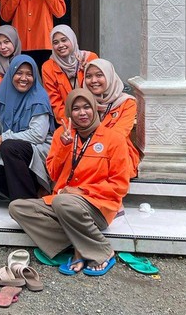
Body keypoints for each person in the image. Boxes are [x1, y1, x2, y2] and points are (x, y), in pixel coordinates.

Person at [9, 88, 132, 276]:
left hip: (98, 206)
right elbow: (52, 174)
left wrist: (81, 191)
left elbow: (120, 185)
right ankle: (80, 244)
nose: (82, 113)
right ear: (69, 112)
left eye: (86, 107)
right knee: (17, 208)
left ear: (94, 109)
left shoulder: (113, 139)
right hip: (63, 203)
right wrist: (64, 148)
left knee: (61, 201)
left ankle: (102, 251)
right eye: (76, 109)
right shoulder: (62, 135)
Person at [0, 55, 55, 201]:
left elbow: (38, 135)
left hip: (37, 151)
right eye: (19, 73)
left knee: (9, 146)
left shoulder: (39, 97)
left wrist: (4, 137)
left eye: (29, 74)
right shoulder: (3, 96)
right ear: (11, 74)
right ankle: (30, 194)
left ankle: (23, 202)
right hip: (11, 154)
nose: (24, 78)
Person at [84, 58, 141, 176]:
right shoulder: (83, 100)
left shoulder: (127, 102)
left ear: (109, 76)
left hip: (116, 153)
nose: (93, 80)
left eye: (99, 75)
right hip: (86, 151)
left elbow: (119, 134)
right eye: (88, 76)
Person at [41, 25, 98, 124]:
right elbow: (55, 102)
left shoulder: (89, 58)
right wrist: (70, 125)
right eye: (55, 42)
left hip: (94, 116)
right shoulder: (48, 67)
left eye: (64, 40)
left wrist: (87, 71)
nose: (60, 45)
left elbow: (100, 90)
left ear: (72, 40)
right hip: (68, 121)